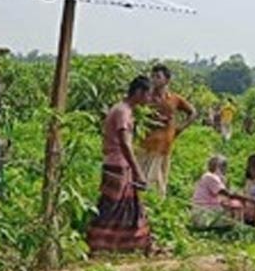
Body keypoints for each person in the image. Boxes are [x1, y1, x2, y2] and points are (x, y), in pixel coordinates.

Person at [87, 76, 153, 254]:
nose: (149, 99)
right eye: (148, 95)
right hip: (118, 166)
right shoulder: (123, 112)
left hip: (118, 164)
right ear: (139, 92)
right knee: (112, 207)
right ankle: (99, 244)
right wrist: (138, 171)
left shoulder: (123, 109)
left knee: (126, 207)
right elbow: (125, 143)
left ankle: (123, 245)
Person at [136, 64, 196, 197]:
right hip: (146, 145)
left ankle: (155, 208)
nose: (154, 79)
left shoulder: (174, 99)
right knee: (145, 182)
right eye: (152, 76)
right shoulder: (146, 97)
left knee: (160, 182)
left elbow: (192, 112)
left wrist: (180, 128)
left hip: (165, 147)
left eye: (158, 77)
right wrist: (151, 119)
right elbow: (136, 114)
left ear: (167, 80)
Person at [189, 155, 246, 229]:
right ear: (219, 167)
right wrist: (246, 198)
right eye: (224, 167)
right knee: (236, 209)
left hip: (204, 212)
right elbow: (227, 194)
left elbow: (223, 197)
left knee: (232, 206)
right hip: (203, 214)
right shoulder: (211, 177)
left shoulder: (208, 176)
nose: (225, 170)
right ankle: (239, 230)